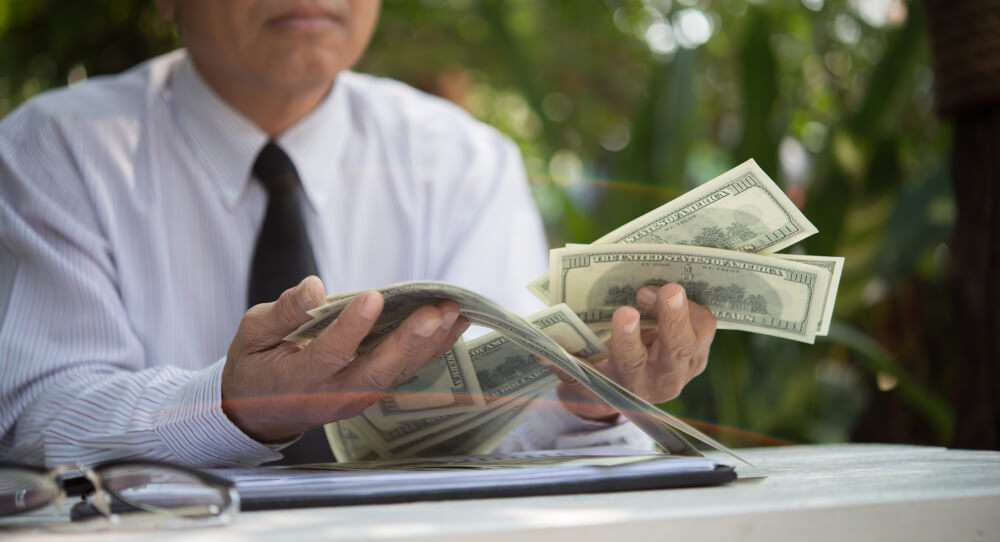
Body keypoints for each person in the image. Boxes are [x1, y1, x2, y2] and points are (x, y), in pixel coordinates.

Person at [0, 0, 717, 467]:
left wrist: (580, 399)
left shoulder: (464, 160)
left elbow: (493, 415)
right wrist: (230, 407)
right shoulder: (58, 152)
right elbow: (34, 419)